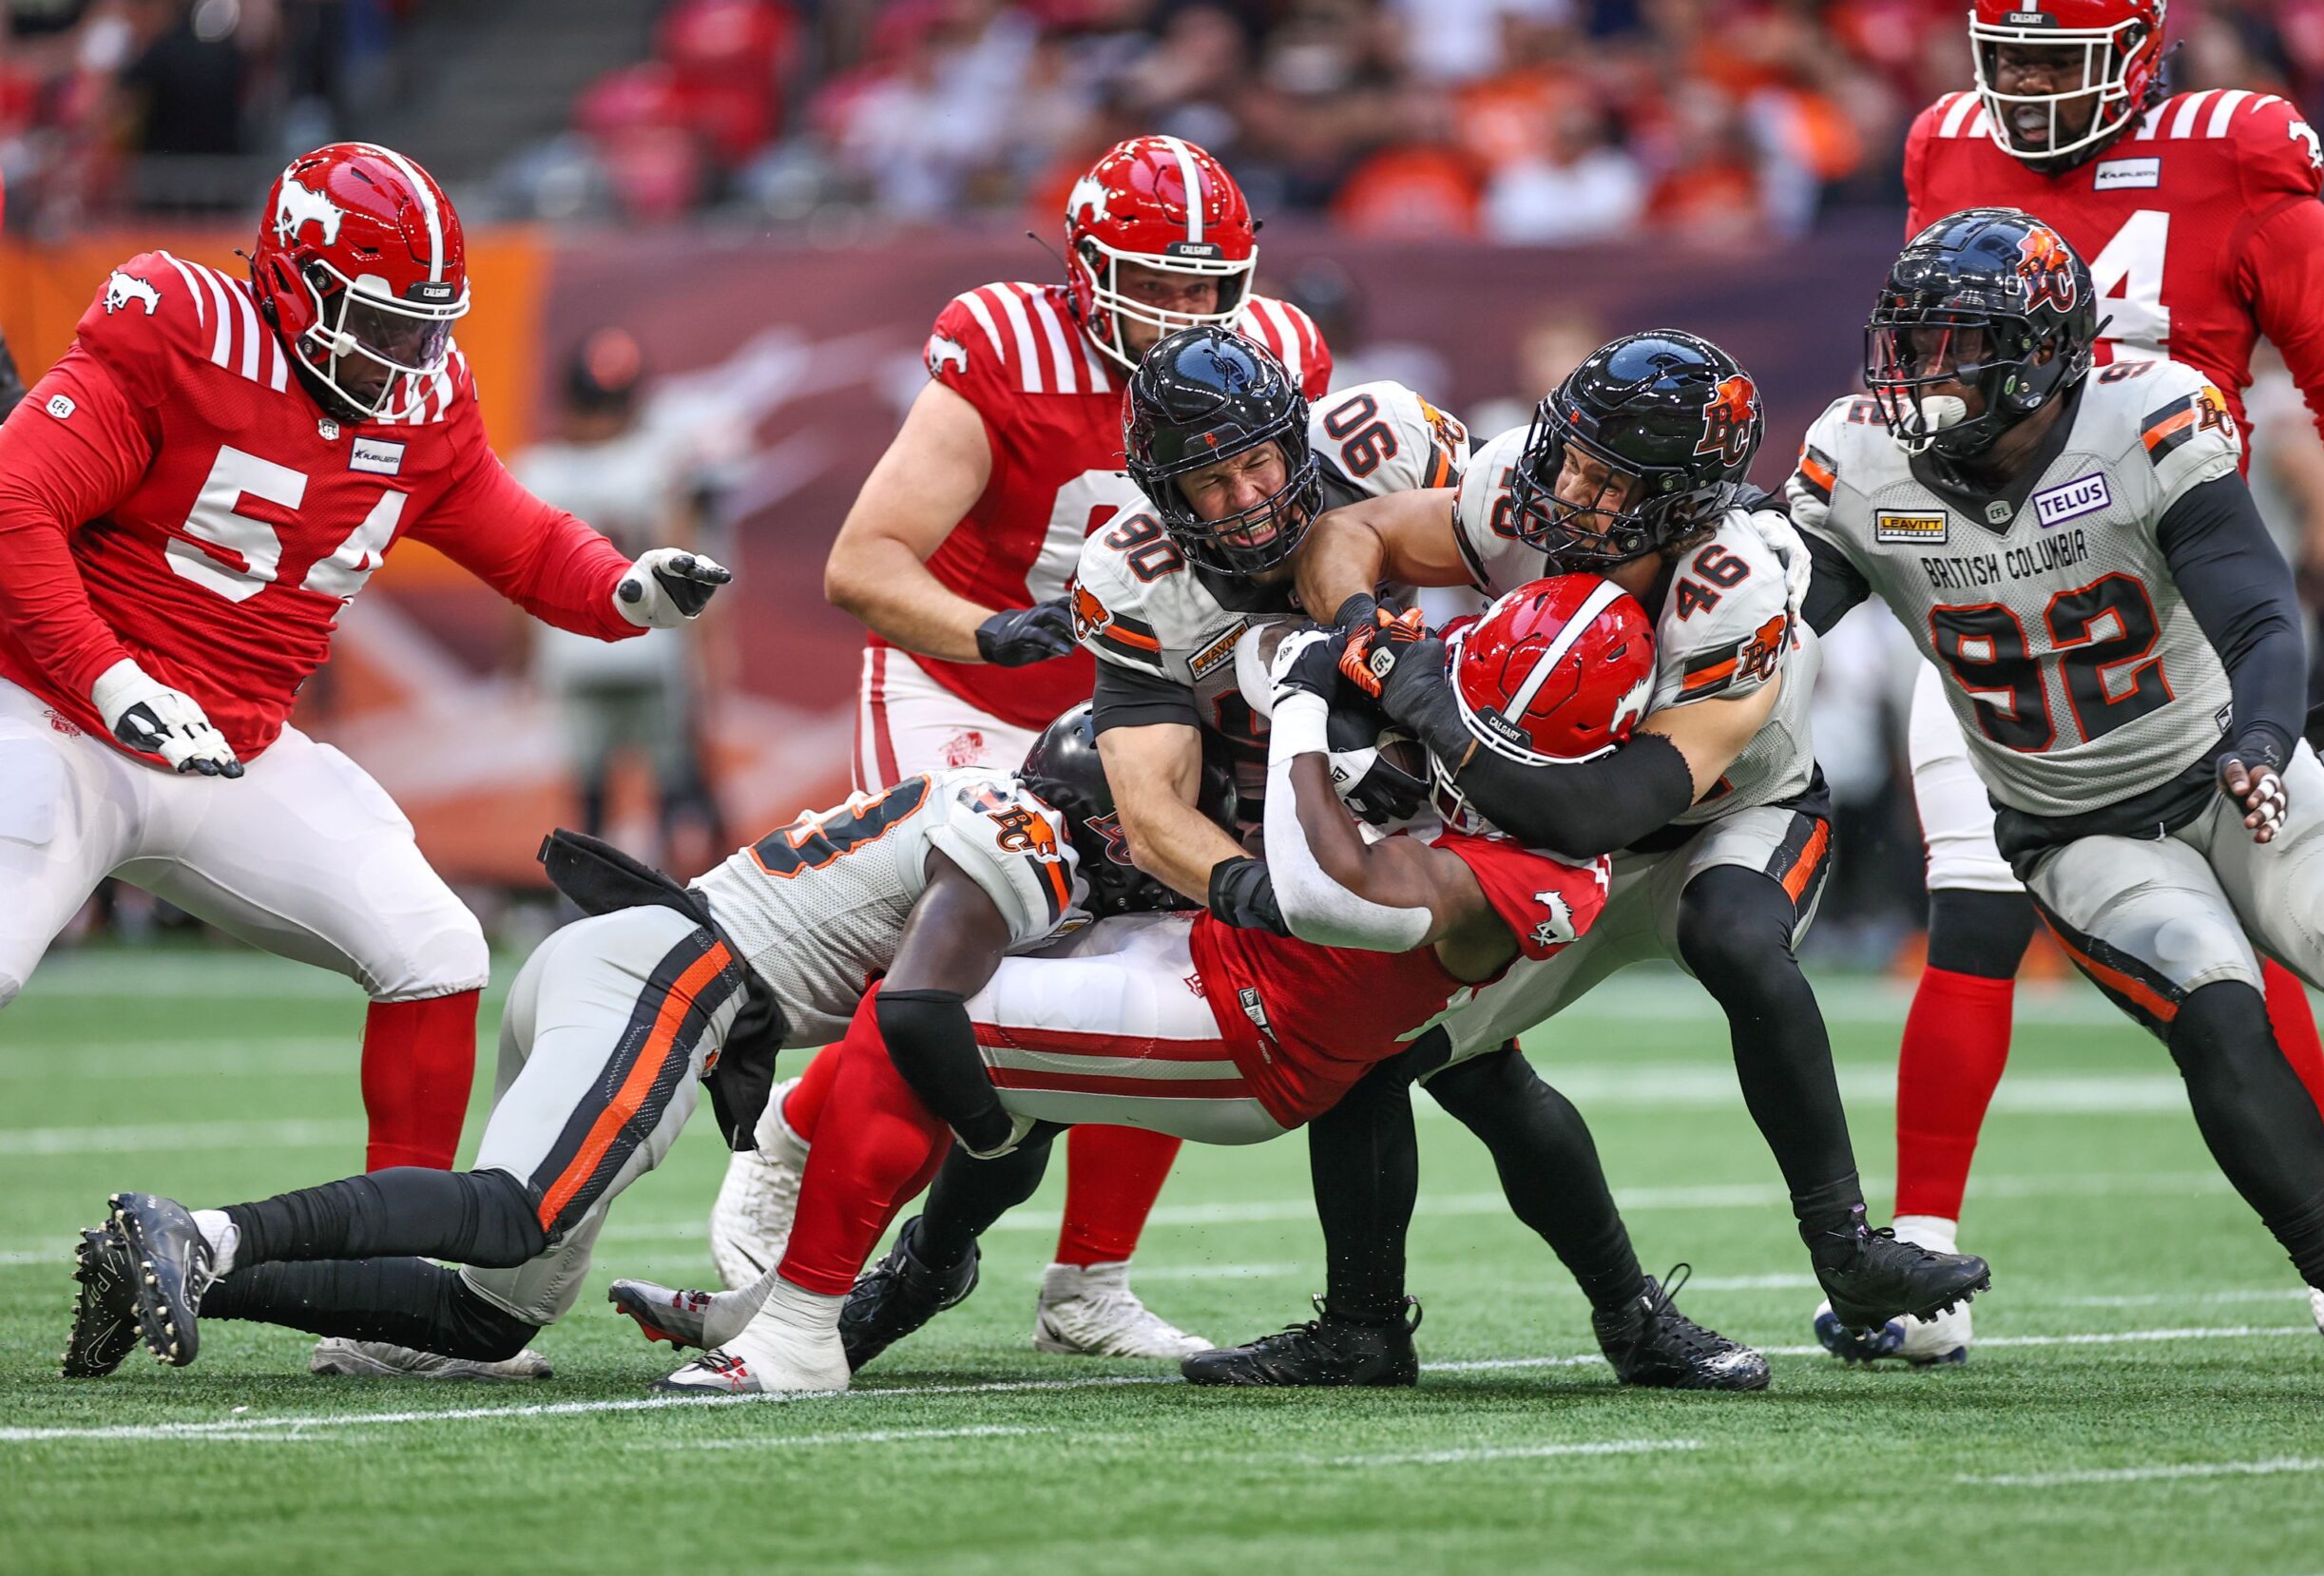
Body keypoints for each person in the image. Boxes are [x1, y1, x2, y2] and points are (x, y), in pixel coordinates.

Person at [793, 327, 1765, 1392]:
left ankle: (1565, 1316)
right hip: (1243, 804)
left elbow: (1543, 519)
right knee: (1091, 938)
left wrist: (1428, 684)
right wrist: (1248, 886)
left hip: (1412, 789)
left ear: (1301, 439)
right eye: (1209, 481)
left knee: (1464, 1064)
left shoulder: (1384, 445)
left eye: (1261, 461)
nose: (1249, 498)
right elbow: (1152, 806)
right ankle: (935, 1263)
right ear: (1160, 491)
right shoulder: (1133, 568)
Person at [0, 144, 729, 1378]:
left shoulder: (418, 399)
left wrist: (621, 589)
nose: (406, 356)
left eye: (423, 327)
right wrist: (114, 682)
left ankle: (376, 1307)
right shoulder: (177, 326)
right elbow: (14, 509)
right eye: (382, 323)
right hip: (60, 714)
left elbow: (509, 526)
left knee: (435, 949)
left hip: (231, 747)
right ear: (291, 282)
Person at [1184, 331, 1989, 1385]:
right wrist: (1358, 628)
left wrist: (1434, 710)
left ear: (1683, 500)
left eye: (1607, 481)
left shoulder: (1736, 583)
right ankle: (1371, 1322)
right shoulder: (1525, 485)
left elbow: (1612, 806)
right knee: (1384, 1045)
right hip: (1542, 826)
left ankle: (1843, 1246)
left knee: (1735, 934)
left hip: (1724, 817)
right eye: (1569, 456)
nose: (1569, 489)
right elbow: (1350, 529)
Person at [635, 578, 1635, 1396]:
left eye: (1495, 724)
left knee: (915, 1019)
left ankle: (798, 1331)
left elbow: (1326, 896)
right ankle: (823, 1294)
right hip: (1215, 960)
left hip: (1249, 1031)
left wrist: (1298, 709)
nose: (1463, 730)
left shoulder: (1540, 871)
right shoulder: (1515, 784)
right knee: (968, 1001)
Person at [1855, 0, 2324, 1359]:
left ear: (2137, 56)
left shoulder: (2236, 152)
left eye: (2064, 61)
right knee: (1978, 899)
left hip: (2176, 594)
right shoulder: (1946, 145)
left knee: (2280, 912)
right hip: (1991, 593)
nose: (2034, 91)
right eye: (2014, 62)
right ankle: (1918, 1257)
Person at [708, 135, 1334, 1358]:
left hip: (1143, 696)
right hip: (968, 682)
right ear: (1089, 269)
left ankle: (1089, 1283)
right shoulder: (1008, 344)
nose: (1191, 310)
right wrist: (998, 636)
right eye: (1160, 281)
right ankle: (796, 1131)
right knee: (949, 957)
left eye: (1212, 284)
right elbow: (863, 563)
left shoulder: (1283, 354)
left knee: (1163, 952)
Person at [69, 728, 1153, 1381]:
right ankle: (202, 1231)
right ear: (1100, 811)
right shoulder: (1036, 843)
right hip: (675, 975)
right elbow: (917, 1014)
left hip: (632, 955)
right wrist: (993, 1129)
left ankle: (183, 1278)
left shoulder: (974, 794)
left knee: (490, 1317)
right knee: (515, 1206)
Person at [517, 328, 726, 863]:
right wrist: (706, 655)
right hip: (645, 648)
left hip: (579, 652)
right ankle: (665, 905)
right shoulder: (657, 465)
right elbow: (689, 567)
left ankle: (591, 903)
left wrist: (516, 661)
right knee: (664, 788)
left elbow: (515, 580)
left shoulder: (538, 470)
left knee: (599, 793)